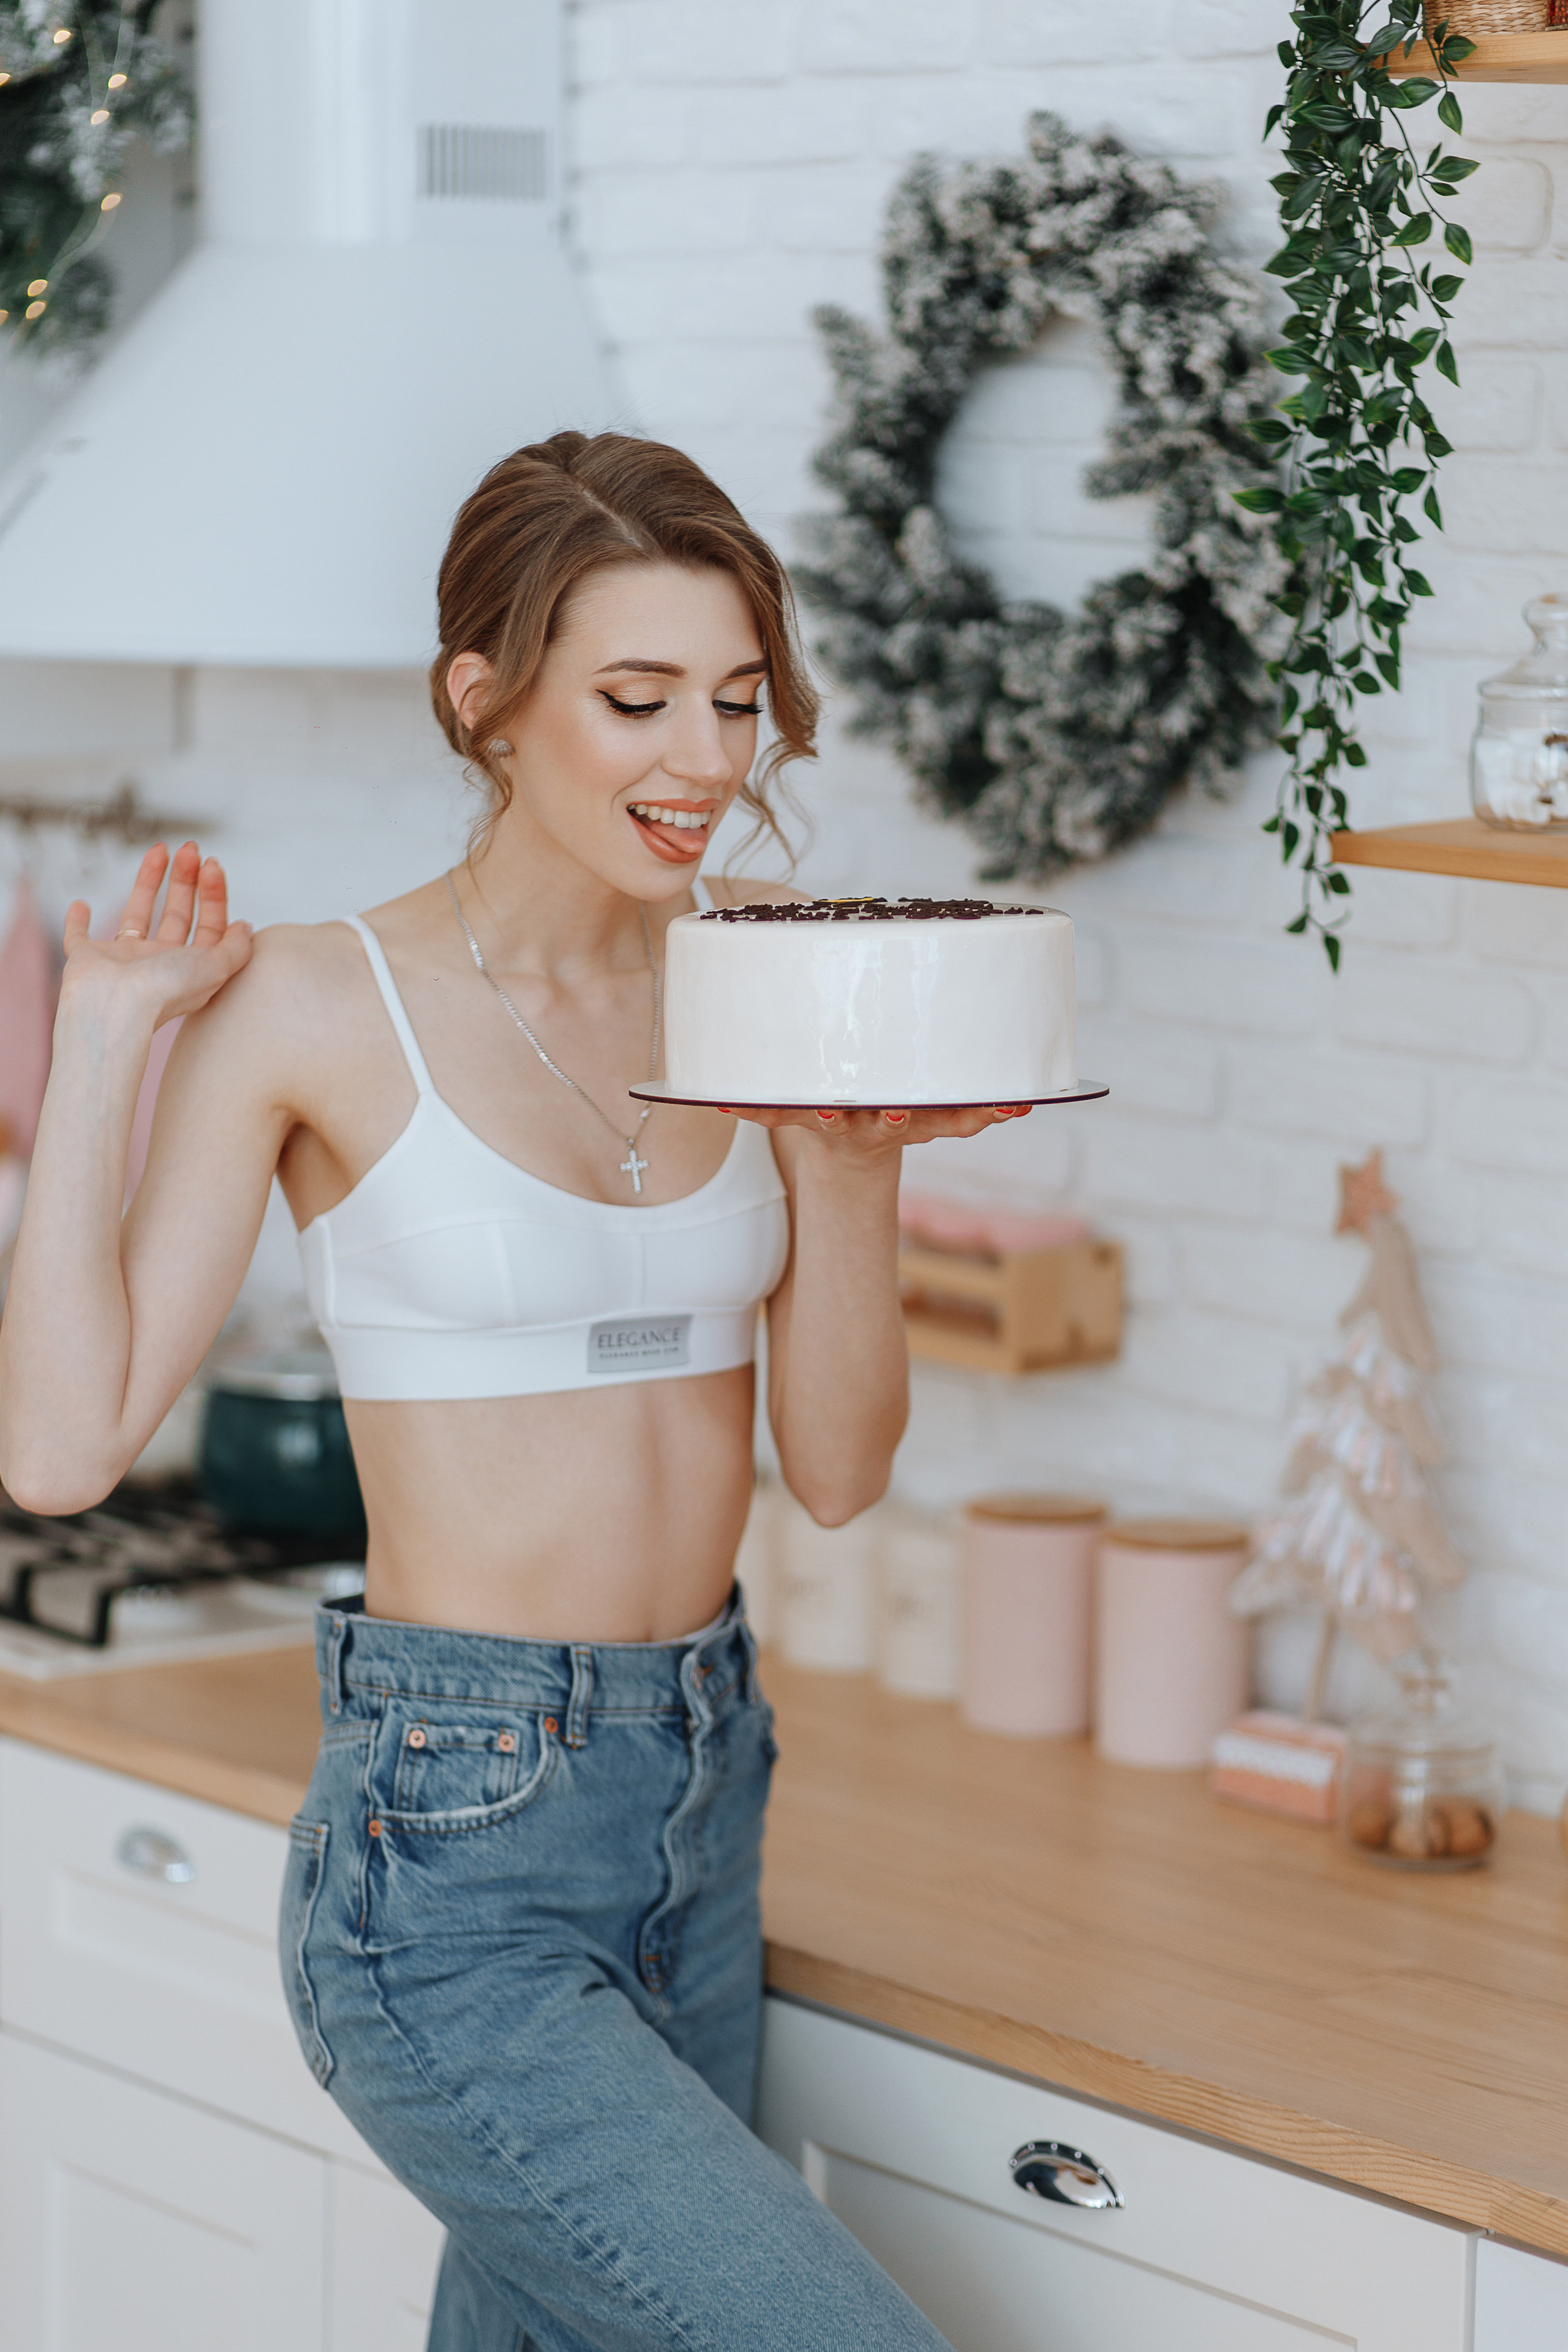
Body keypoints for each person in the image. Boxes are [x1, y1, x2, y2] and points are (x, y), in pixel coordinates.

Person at [0, 431, 1032, 2351]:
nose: (707, 761)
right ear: (487, 700)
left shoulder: (753, 987)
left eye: (737, 702)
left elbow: (837, 1469)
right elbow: (61, 1451)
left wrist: (856, 1165)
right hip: (447, 1854)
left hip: (703, 1789)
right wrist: (110, 1038)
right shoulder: (313, 1002)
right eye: (638, 701)